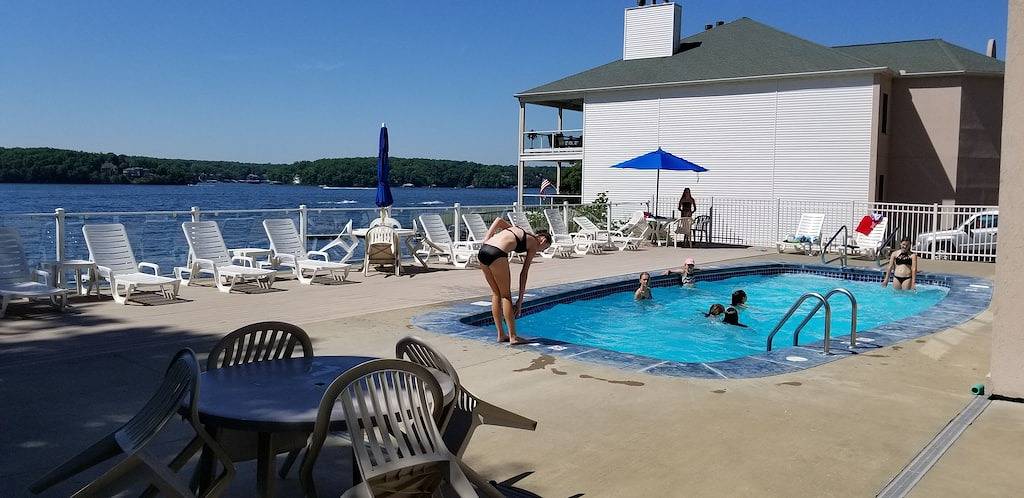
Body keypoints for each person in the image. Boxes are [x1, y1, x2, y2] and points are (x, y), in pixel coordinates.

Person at [477, 217, 553, 344]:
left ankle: (501, 334)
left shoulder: (516, 229)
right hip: (497, 253)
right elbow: (524, 273)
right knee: (506, 296)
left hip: (483, 251)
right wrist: (520, 301)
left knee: (496, 293)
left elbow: (498, 220)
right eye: (544, 248)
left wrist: (487, 238)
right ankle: (513, 337)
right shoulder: (534, 243)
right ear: (543, 239)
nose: (542, 251)